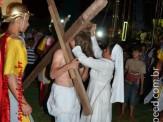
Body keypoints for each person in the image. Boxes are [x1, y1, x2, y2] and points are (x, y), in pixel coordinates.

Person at [70, 25, 124, 122]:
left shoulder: (106, 64)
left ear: (111, 56)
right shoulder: (106, 59)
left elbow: (85, 60)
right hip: (94, 89)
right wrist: (92, 34)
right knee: (90, 113)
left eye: (106, 50)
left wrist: (75, 47)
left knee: (96, 115)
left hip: (99, 95)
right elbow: (96, 50)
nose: (104, 50)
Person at [47, 31, 93, 122]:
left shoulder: (80, 56)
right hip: (61, 91)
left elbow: (82, 79)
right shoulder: (60, 53)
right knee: (63, 119)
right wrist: (68, 66)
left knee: (74, 118)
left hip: (74, 91)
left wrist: (87, 69)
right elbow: (52, 75)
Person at [0, 2, 34, 122]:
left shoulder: (3, 38)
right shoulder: (15, 42)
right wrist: (22, 102)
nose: (28, 24)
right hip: (10, 93)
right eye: (27, 20)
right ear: (19, 20)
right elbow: (10, 75)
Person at [118, 46, 146, 121]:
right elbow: (126, 70)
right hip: (127, 82)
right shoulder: (129, 61)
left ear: (140, 53)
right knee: (125, 97)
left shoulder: (142, 64)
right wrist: (119, 76)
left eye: (136, 52)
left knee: (133, 99)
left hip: (135, 83)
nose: (134, 53)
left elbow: (142, 76)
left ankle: (131, 114)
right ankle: (122, 112)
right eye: (133, 52)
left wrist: (141, 88)